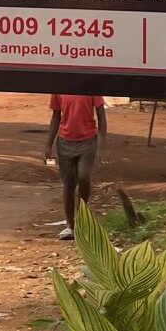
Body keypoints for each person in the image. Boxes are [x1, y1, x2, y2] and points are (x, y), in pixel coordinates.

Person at [43, 92, 107, 241]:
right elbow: (56, 117)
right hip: (65, 141)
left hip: (88, 140)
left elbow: (102, 117)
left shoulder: (92, 90)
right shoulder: (59, 90)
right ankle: (70, 225)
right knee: (69, 183)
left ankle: (82, 216)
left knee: (84, 176)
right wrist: (48, 145)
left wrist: (100, 147)